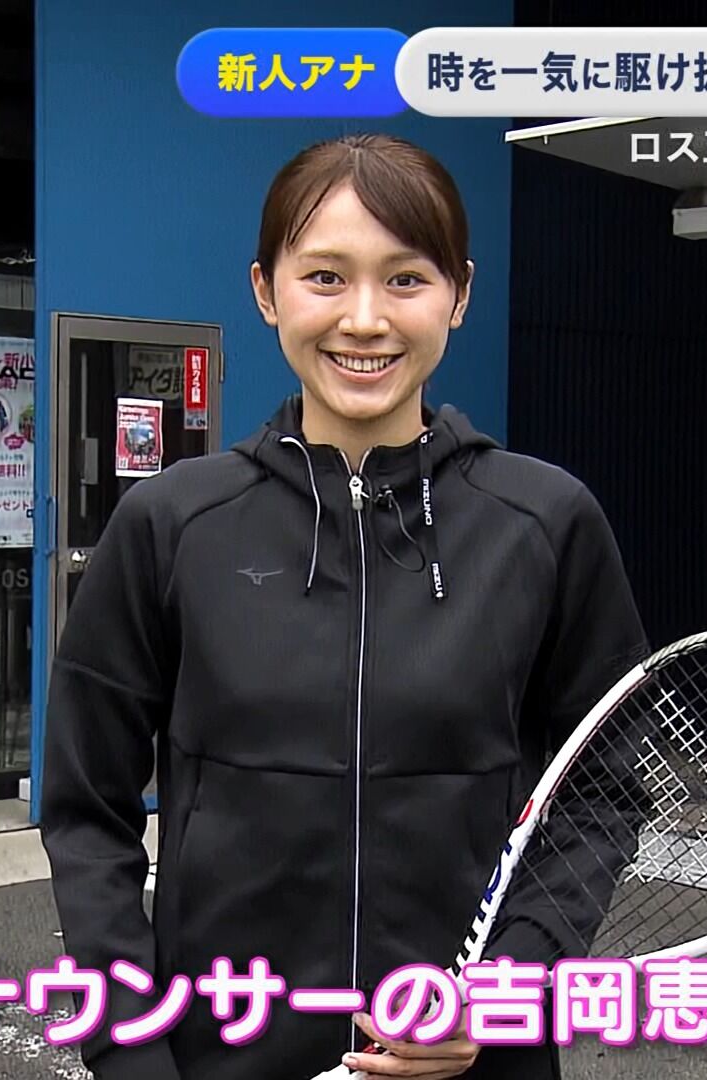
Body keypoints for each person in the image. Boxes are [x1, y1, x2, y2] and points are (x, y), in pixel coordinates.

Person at [39, 133, 651, 1080]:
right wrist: (128, 1052)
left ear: (460, 294)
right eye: (324, 276)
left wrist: (508, 989)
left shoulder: (545, 523)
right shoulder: (172, 524)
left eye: (406, 279)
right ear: (265, 290)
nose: (364, 320)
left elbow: (603, 789)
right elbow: (87, 811)